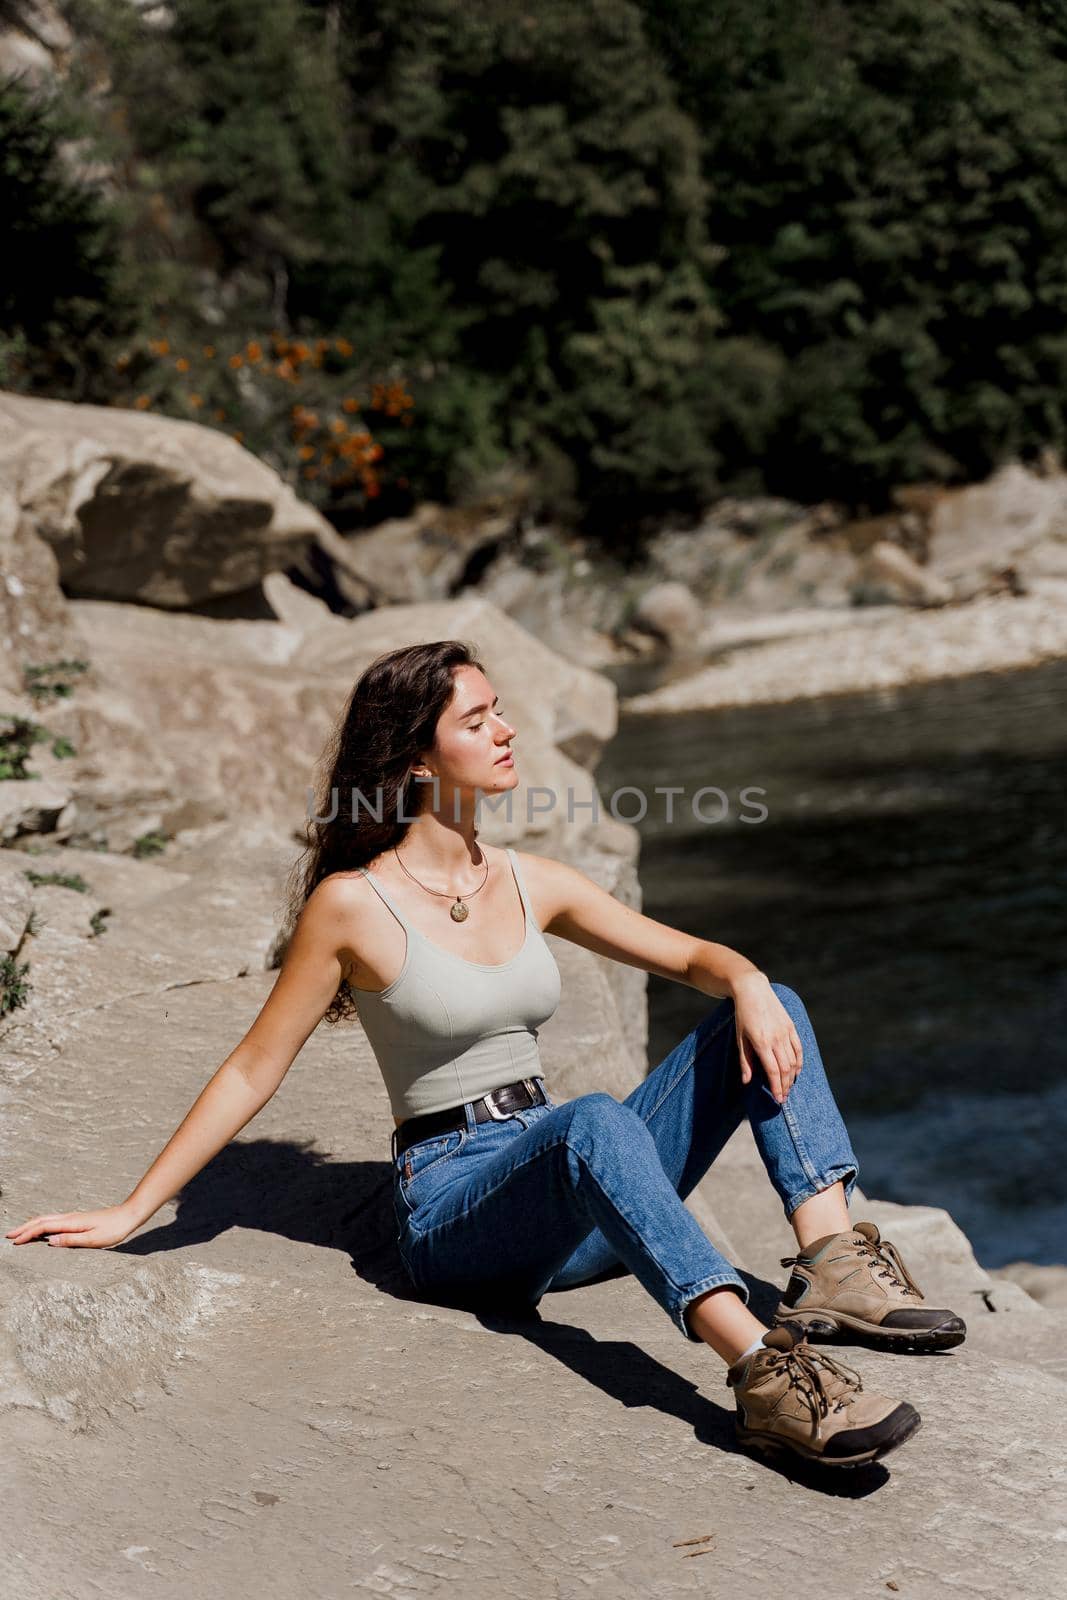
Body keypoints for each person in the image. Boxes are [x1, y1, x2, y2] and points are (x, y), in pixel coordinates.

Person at [5, 639, 965, 1470]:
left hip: (577, 1198)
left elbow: (690, 957)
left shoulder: (529, 878)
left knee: (770, 1003)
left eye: (501, 710)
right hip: (457, 1212)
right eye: (479, 719)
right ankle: (764, 1374)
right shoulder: (352, 905)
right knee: (589, 1121)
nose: (506, 730)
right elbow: (255, 1066)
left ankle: (831, 1260)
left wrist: (747, 980)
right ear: (419, 759)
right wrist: (137, 1208)